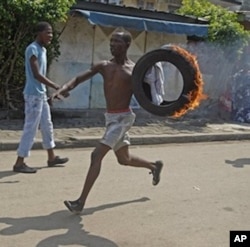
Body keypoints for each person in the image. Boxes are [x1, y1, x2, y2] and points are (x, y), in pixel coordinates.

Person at [53, 30, 164, 214]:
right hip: (111, 118)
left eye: (117, 42)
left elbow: (151, 94)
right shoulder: (104, 66)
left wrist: (167, 106)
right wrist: (64, 88)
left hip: (123, 119)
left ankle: (80, 202)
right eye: (111, 42)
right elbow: (80, 77)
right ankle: (154, 166)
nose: (112, 45)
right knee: (124, 159)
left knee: (96, 156)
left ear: (127, 45)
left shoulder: (135, 71)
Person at [13, 21, 69, 174]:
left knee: (47, 125)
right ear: (39, 33)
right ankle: (19, 162)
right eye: (48, 32)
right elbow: (37, 75)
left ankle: (51, 158)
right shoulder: (32, 49)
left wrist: (48, 93)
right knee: (30, 128)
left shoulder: (42, 50)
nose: (51, 35)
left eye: (51, 32)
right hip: (33, 95)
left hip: (41, 94)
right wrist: (57, 87)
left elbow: (41, 76)